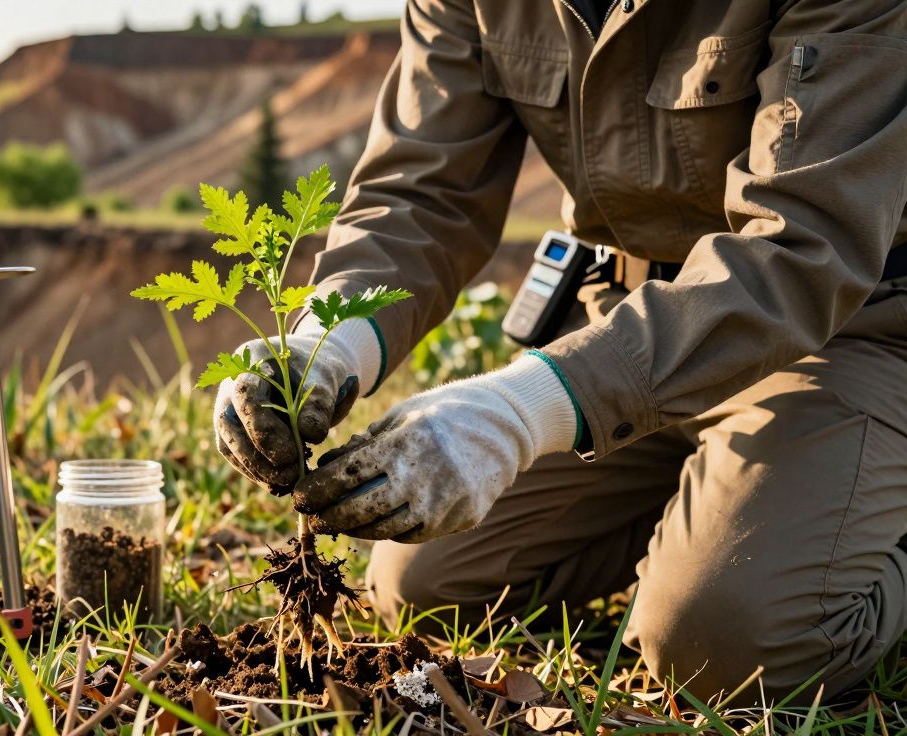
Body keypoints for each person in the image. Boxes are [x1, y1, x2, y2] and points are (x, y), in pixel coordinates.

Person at [213, 0, 907, 702]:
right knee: (427, 587)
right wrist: (327, 341)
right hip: (625, 324)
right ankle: (732, 511)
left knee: (724, 647)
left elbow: (801, 247)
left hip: (842, 327)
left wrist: (520, 411)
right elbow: (420, 194)